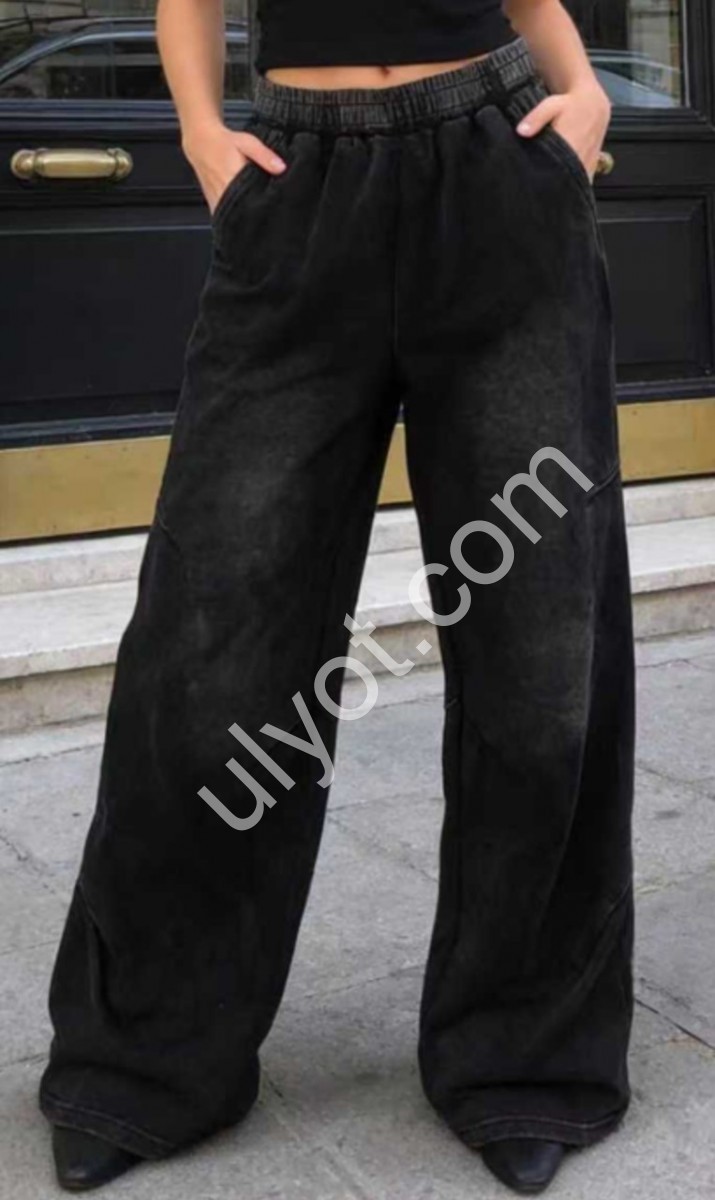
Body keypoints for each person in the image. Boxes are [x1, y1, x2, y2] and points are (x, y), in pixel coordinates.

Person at [38, 0, 636, 1194]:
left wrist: (586, 96)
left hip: (499, 174)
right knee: (208, 652)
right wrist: (200, 129)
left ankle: (527, 1054)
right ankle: (148, 1055)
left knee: (542, 652)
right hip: (298, 188)